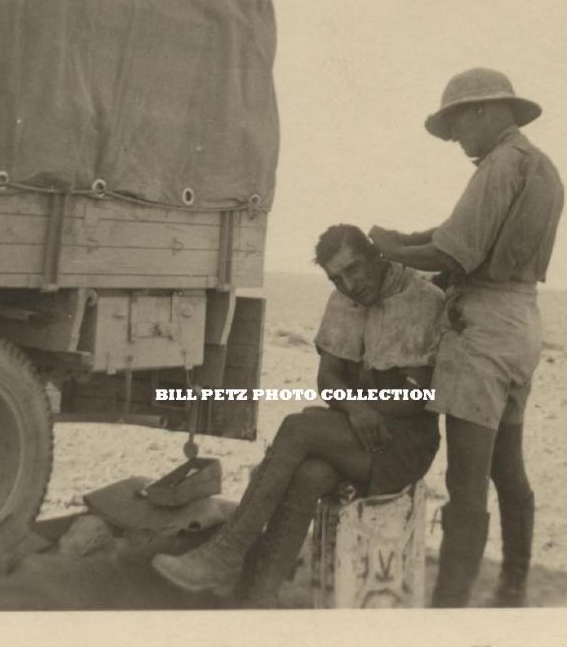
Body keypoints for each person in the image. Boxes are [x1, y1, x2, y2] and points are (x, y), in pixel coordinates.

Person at [152, 223, 444, 606]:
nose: (348, 284)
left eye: (354, 269)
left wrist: (360, 407)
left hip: (404, 443)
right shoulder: (343, 301)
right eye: (336, 277)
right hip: (356, 434)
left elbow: (421, 396)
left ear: (376, 257)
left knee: (297, 428)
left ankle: (224, 554)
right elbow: (327, 379)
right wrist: (355, 407)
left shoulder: (423, 299)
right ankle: (258, 598)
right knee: (311, 475)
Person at [368, 67, 564, 608]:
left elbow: (455, 253)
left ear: (481, 111)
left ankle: (448, 612)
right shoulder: (537, 165)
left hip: (482, 332)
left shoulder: (498, 166)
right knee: (509, 469)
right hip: (522, 323)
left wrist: (388, 254)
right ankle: (513, 589)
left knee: (467, 481)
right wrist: (406, 238)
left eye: (457, 127)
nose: (456, 141)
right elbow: (468, 229)